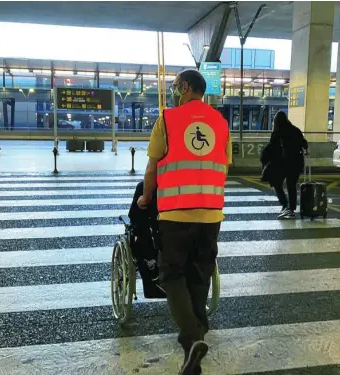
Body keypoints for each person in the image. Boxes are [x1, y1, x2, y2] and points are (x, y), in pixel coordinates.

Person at [137, 69, 232, 375]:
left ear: (188, 87)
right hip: (212, 213)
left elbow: (152, 167)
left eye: (178, 85)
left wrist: (145, 198)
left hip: (176, 212)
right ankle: (198, 338)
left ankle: (191, 339)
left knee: (171, 274)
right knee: (200, 273)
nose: (176, 90)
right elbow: (223, 167)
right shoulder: (220, 123)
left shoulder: (168, 119)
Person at [268, 111, 308, 219]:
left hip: (284, 163)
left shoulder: (277, 132)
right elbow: (305, 144)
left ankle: (285, 205)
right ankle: (291, 209)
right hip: (297, 163)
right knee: (291, 185)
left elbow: (271, 148)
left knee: (277, 183)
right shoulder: (295, 130)